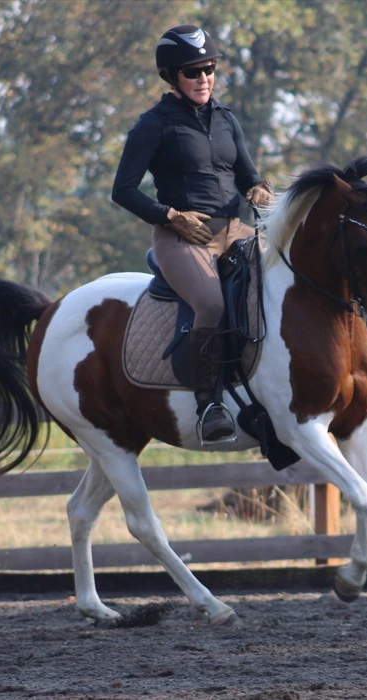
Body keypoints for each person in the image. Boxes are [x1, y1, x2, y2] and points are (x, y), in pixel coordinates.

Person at [112, 24, 273, 444]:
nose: (204, 78)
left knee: (275, 286)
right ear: (172, 76)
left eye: (209, 68)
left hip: (232, 230)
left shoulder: (226, 120)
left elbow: (249, 176)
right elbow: (122, 190)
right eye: (193, 71)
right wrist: (170, 215)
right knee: (211, 302)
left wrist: (259, 188)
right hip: (181, 237)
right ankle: (209, 406)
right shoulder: (153, 124)